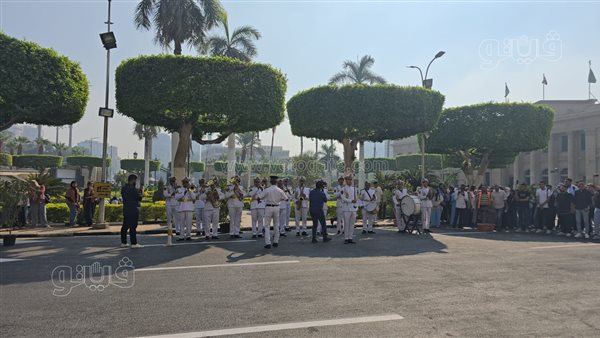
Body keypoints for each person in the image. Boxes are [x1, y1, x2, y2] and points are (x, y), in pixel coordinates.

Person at [258, 175, 289, 249]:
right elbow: (286, 199)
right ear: (277, 182)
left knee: (267, 226)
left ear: (270, 181)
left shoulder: (267, 190)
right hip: (277, 207)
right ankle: (276, 242)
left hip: (269, 207)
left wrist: (262, 199)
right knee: (276, 225)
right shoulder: (280, 190)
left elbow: (259, 197)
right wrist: (278, 200)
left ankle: (268, 243)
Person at [120, 174, 143, 248]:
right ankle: (134, 243)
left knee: (125, 226)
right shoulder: (133, 189)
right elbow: (139, 198)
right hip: (133, 209)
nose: (135, 182)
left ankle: (123, 242)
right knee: (133, 226)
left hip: (126, 209)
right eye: (135, 180)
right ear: (133, 180)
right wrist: (141, 192)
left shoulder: (124, 188)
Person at [341, 174, 358, 244]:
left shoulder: (354, 188)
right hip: (346, 208)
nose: (350, 181)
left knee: (352, 224)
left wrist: (356, 206)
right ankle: (346, 238)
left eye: (351, 180)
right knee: (346, 224)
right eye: (348, 179)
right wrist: (351, 201)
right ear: (346, 180)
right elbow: (343, 198)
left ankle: (350, 237)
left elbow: (356, 198)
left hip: (353, 208)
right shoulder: (343, 189)